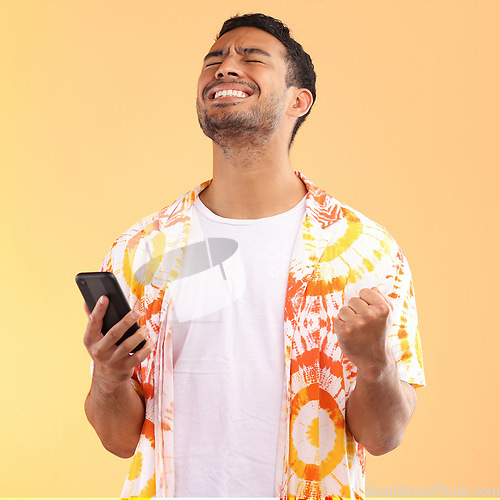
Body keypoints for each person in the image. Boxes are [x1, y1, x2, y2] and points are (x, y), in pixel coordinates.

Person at [83, 13, 425, 499]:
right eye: (214, 60)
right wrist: (108, 376)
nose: (224, 68)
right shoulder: (140, 250)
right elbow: (118, 439)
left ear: (298, 101)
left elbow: (383, 436)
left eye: (251, 58)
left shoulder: (366, 251)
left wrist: (375, 366)